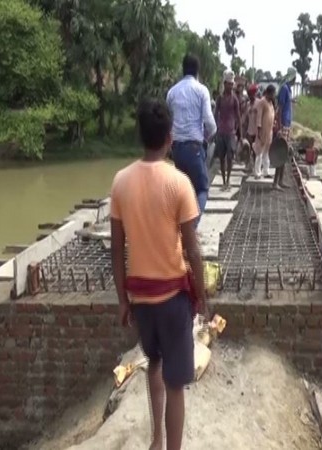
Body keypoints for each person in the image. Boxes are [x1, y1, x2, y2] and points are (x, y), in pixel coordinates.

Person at [110, 99, 207, 450]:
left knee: (154, 362)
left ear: (141, 136)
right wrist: (202, 294)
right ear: (169, 138)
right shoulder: (179, 183)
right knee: (175, 383)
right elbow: (193, 250)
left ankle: (156, 439)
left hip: (141, 299)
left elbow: (116, 247)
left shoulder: (120, 182)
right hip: (172, 299)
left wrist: (122, 299)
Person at [166, 54, 217, 228]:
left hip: (177, 149)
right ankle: (192, 227)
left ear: (183, 69)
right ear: (197, 71)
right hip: (195, 147)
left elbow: (168, 121)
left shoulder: (172, 92)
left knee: (182, 189)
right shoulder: (201, 90)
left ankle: (179, 226)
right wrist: (207, 139)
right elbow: (210, 123)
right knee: (201, 189)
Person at [214, 71, 241, 191]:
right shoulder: (220, 98)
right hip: (220, 132)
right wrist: (214, 129)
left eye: (232, 84)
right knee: (221, 158)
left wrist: (241, 134)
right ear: (224, 84)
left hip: (231, 133)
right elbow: (215, 114)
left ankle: (228, 180)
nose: (231, 86)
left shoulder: (235, 99)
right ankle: (224, 181)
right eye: (229, 84)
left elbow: (239, 116)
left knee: (230, 157)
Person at [253, 84, 276, 180]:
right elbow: (258, 118)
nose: (274, 96)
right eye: (273, 94)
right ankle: (257, 173)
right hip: (262, 131)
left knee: (267, 152)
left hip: (269, 132)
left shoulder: (271, 103)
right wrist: (258, 132)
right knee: (259, 153)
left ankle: (266, 171)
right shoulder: (262, 102)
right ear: (269, 93)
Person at [244, 84, 260, 173]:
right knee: (248, 150)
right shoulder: (247, 105)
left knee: (256, 151)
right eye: (249, 94)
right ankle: (249, 166)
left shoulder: (259, 103)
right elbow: (246, 118)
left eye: (251, 94)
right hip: (249, 131)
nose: (250, 96)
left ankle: (256, 167)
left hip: (257, 131)